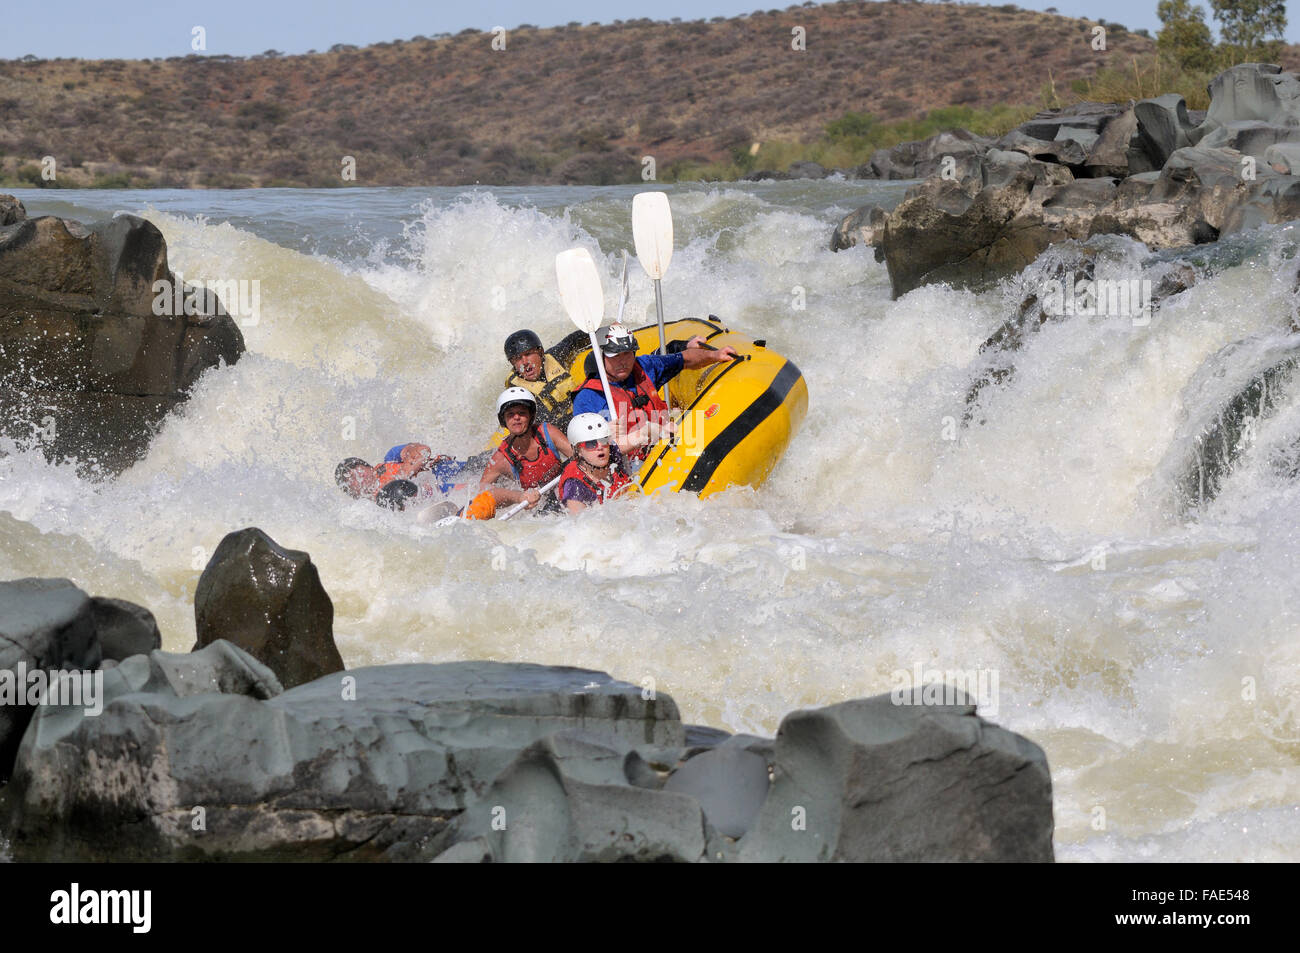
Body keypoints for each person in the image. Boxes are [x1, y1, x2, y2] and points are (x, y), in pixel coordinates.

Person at [570, 323, 737, 459]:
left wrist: (715, 355)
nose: (623, 362)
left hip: (664, 445)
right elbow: (584, 452)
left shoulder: (644, 367)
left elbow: (684, 359)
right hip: (631, 465)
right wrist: (605, 434)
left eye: (627, 354)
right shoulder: (587, 398)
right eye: (615, 356)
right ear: (600, 357)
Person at [478, 387, 572, 511]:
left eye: (522, 413)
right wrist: (518, 497)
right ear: (503, 420)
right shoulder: (501, 458)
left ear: (530, 416)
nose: (516, 417)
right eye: (510, 414)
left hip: (563, 490)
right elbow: (481, 491)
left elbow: (579, 456)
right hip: (539, 508)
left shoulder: (547, 432)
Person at [559, 413, 634, 512]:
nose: (600, 447)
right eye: (591, 444)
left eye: (604, 439)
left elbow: (643, 435)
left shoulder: (611, 452)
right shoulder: (574, 487)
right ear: (578, 451)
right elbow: (581, 524)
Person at [503, 329, 576, 426]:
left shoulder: (555, 356)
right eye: (518, 358)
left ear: (540, 352)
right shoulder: (518, 392)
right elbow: (544, 424)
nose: (524, 362)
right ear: (513, 363)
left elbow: (573, 340)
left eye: (528, 354)